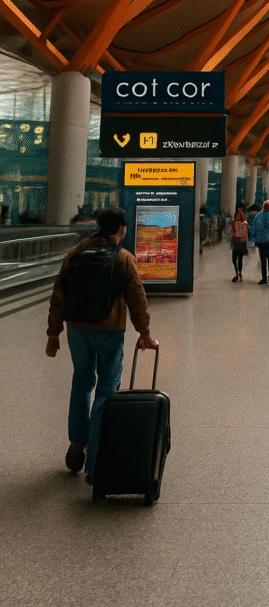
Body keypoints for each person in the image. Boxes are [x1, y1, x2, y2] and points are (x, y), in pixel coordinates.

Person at [45, 206, 157, 483]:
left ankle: (75, 444)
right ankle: (95, 460)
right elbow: (137, 298)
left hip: (76, 330)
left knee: (81, 382)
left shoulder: (76, 252)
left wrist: (53, 333)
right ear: (122, 229)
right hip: (108, 330)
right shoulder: (123, 258)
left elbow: (58, 293)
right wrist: (144, 332)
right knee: (106, 389)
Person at [229, 205, 249, 281]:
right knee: (235, 259)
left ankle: (239, 273)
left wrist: (236, 235)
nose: (237, 217)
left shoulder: (243, 223)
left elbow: (244, 233)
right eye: (236, 215)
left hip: (239, 243)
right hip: (237, 243)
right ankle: (237, 272)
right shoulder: (236, 223)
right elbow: (232, 232)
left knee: (238, 259)